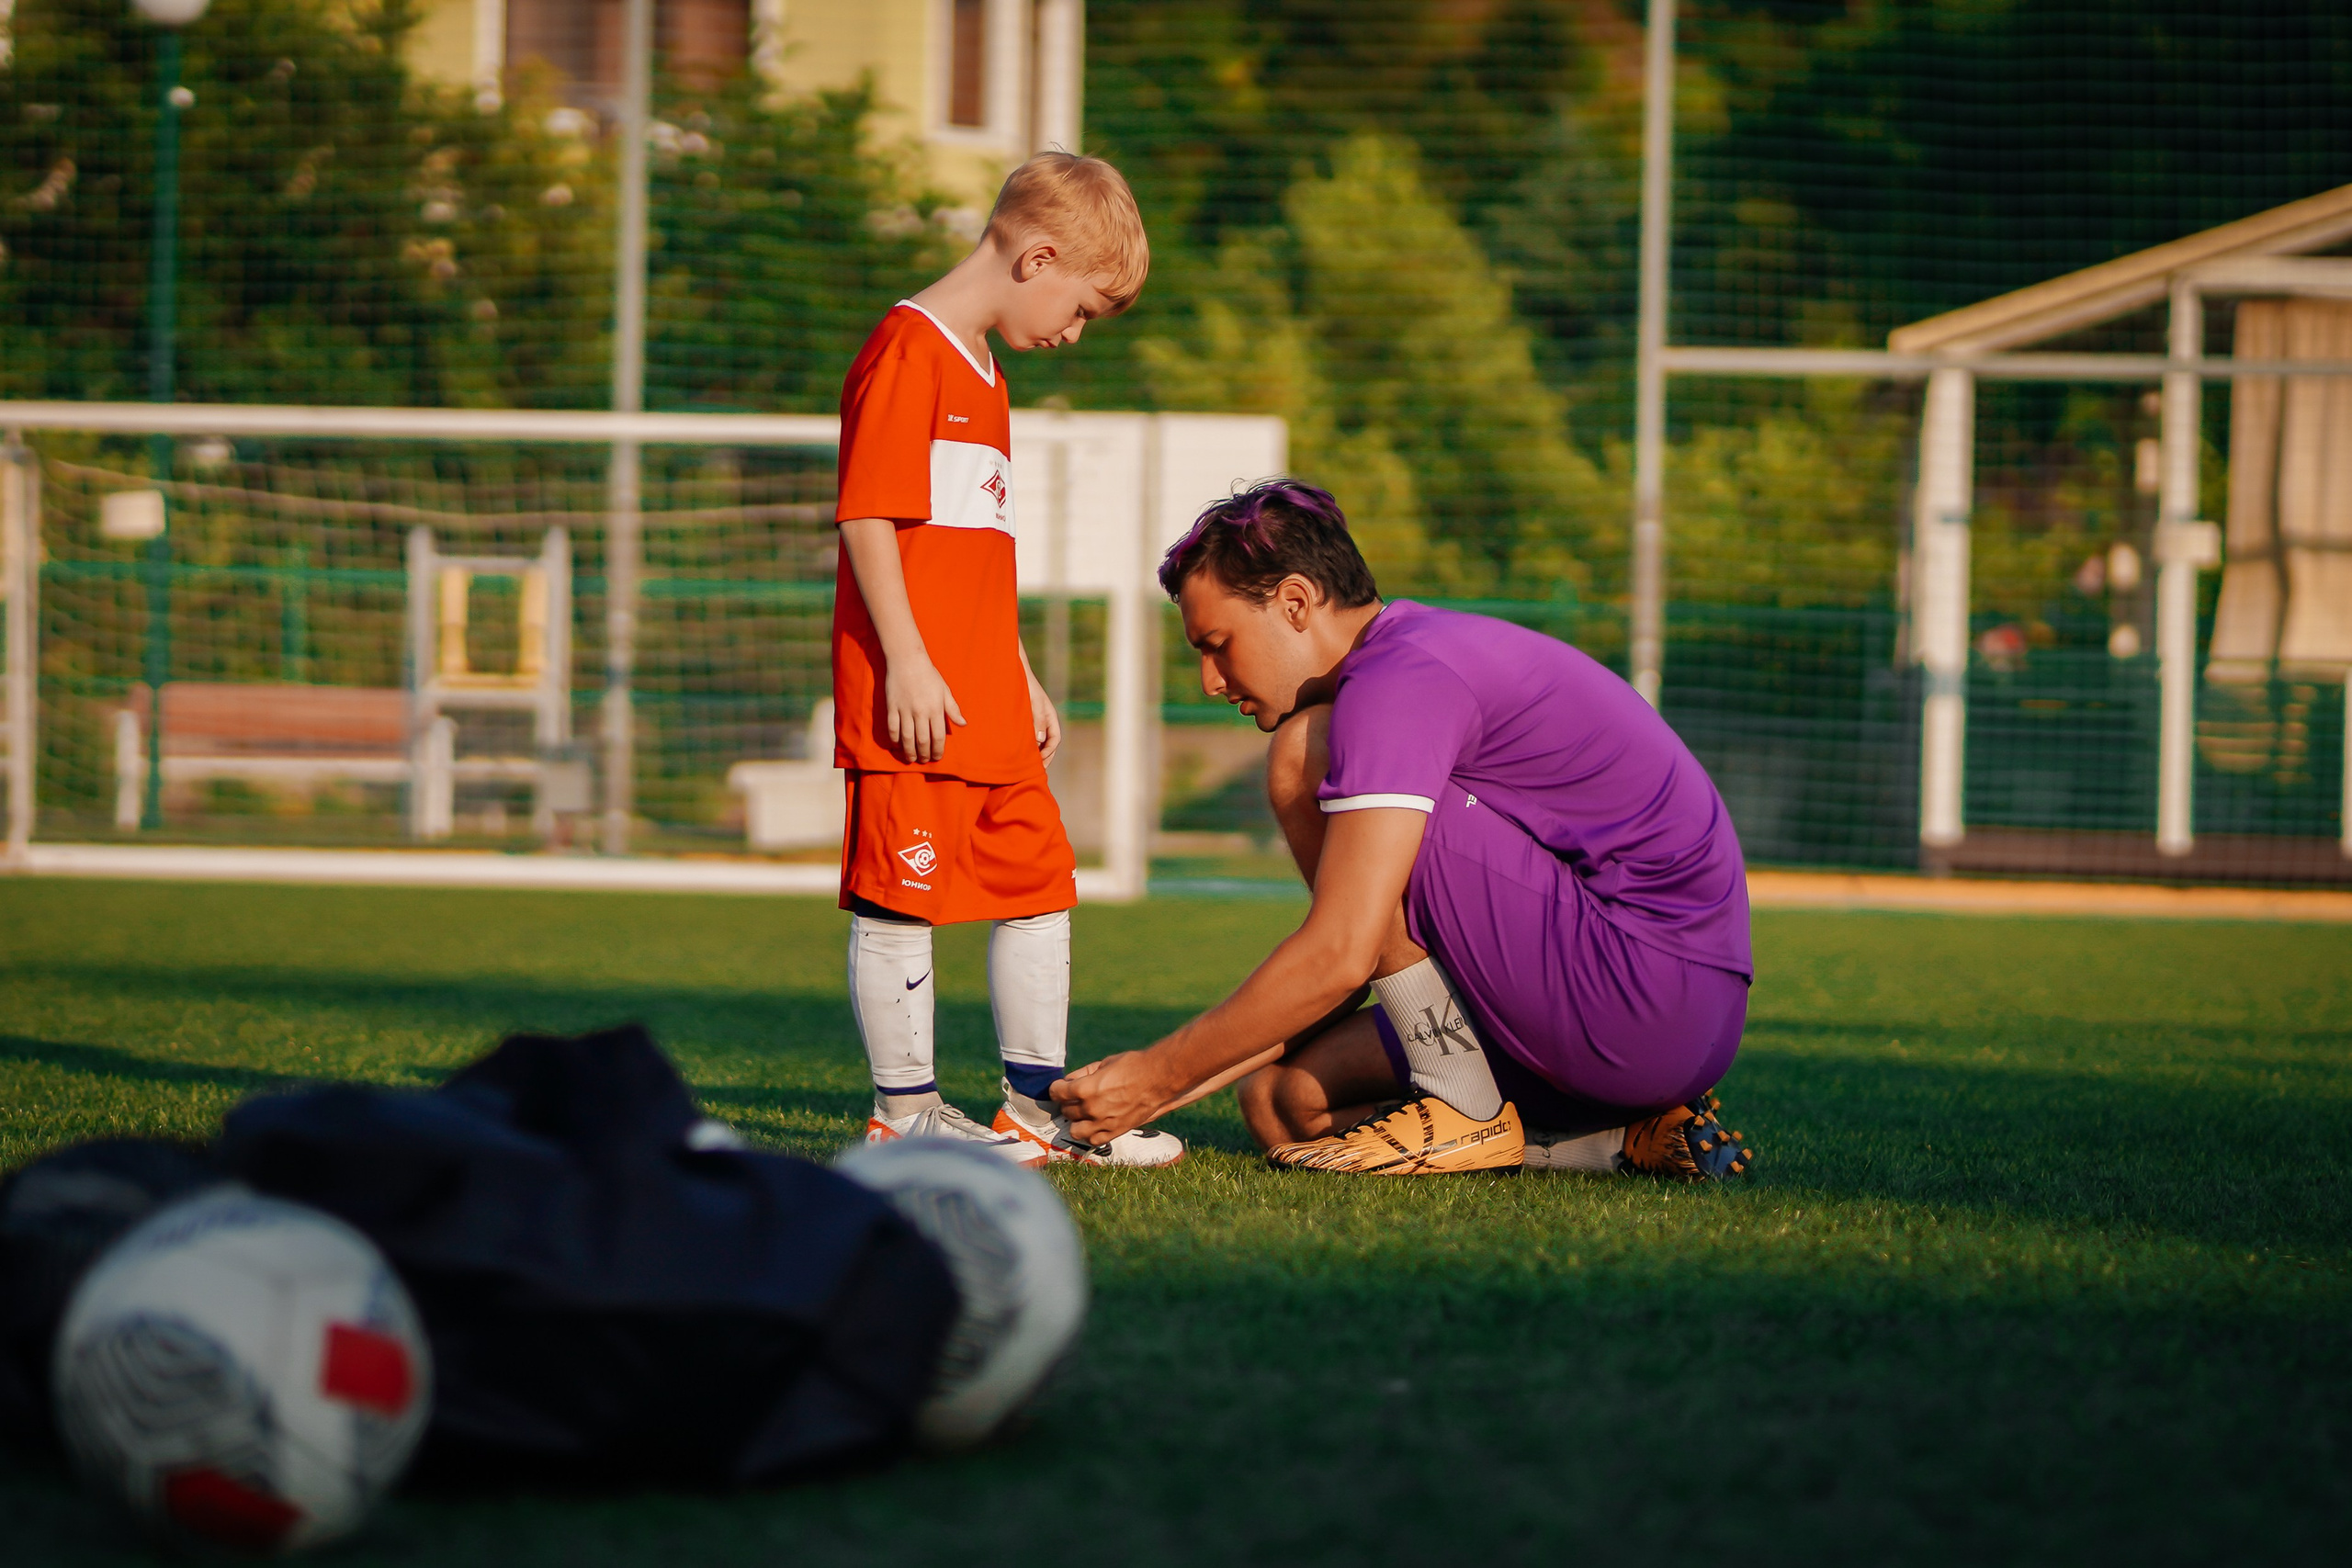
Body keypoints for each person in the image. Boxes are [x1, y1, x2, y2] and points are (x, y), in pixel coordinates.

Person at [1049, 480, 1755, 1178]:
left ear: (1295, 602)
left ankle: (1465, 1105)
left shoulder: (1398, 676)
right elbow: (1357, 964)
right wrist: (1158, 1088)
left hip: (1644, 994)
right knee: (1283, 1103)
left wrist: (1154, 1076)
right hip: (1659, 1020)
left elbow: (1343, 953)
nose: (1209, 679)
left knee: (1303, 750)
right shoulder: (1410, 651)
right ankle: (1617, 1142)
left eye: (1218, 643)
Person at [832, 152, 1182, 1169]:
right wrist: (905, 660)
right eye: (1080, 311)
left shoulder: (986, 376)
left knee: (1040, 887)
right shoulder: (908, 351)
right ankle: (905, 1112)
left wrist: (1014, 664)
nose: (1073, 335)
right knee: (904, 895)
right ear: (1037, 257)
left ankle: (1038, 1116)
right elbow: (867, 519)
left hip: (982, 692)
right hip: (914, 698)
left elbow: (972, 550)